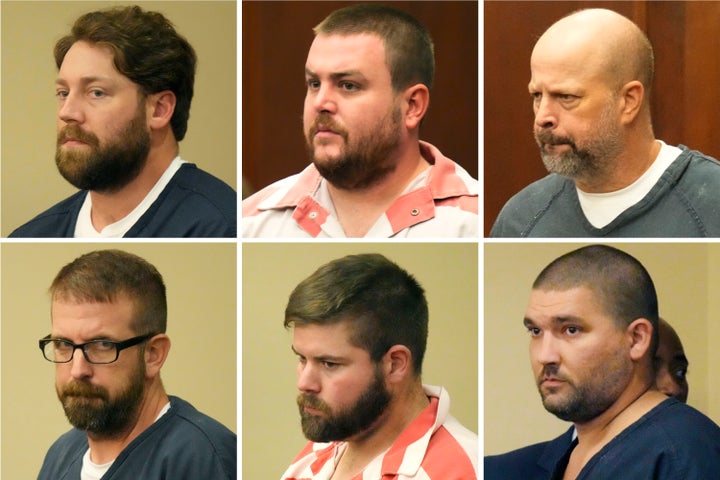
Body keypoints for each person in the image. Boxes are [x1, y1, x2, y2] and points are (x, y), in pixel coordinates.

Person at [242, 4, 478, 238]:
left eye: (348, 85)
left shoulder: (474, 222)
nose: (321, 103)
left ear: (412, 106)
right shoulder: (252, 223)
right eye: (314, 84)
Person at [490, 245, 720, 478]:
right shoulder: (575, 453)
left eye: (571, 330)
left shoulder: (682, 453)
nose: (545, 356)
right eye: (536, 331)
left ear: (636, 339)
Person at [490, 8, 720, 237]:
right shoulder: (521, 220)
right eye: (537, 96)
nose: (542, 118)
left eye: (566, 97)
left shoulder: (711, 204)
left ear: (629, 101)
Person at [10, 5, 236, 238]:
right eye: (63, 93)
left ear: (159, 110)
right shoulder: (32, 234)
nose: (67, 112)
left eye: (96, 92)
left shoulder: (220, 225)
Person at [37, 250, 236, 479]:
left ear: (153, 354)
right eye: (63, 344)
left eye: (103, 345)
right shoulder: (60, 456)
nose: (78, 369)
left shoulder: (204, 460)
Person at [280, 253, 478, 478]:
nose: (304, 383)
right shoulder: (319, 453)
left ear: (394, 364)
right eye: (302, 359)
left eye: (329, 364)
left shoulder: (458, 470)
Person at [484, 316, 691, 479]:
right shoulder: (493, 472)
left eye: (680, 372)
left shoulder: (695, 455)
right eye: (650, 368)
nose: (671, 387)